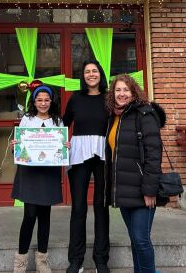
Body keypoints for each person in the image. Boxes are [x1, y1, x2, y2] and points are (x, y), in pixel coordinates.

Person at [105, 74, 164, 273]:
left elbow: (154, 154)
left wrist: (150, 190)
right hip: (124, 189)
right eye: (118, 90)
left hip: (142, 190)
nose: (122, 94)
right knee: (135, 240)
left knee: (141, 240)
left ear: (134, 92)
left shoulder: (145, 115)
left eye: (126, 90)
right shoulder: (115, 117)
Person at [11, 85, 69, 273]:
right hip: (29, 172)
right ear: (33, 102)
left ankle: (42, 260)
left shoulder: (57, 121)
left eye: (46, 100)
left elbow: (60, 147)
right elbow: (20, 146)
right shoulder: (27, 119)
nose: (43, 103)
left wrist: (65, 145)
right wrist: (15, 146)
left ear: (51, 101)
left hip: (48, 173)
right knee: (29, 216)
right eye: (39, 100)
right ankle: (20, 261)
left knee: (45, 216)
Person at [63, 60, 110, 273]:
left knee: (101, 206)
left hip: (103, 155)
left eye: (94, 71)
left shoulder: (110, 99)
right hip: (79, 155)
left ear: (100, 74)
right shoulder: (76, 99)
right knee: (79, 207)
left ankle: (101, 259)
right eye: (87, 72)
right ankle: (76, 259)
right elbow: (63, 125)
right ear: (83, 76)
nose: (91, 74)